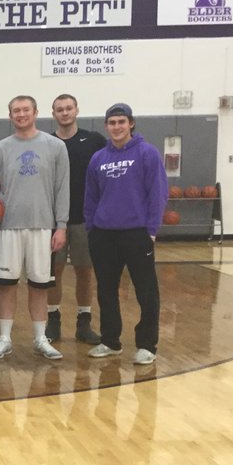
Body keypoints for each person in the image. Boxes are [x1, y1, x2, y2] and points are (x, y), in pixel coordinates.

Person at [0, 95, 69, 361]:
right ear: (10, 115)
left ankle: (40, 339)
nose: (21, 114)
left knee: (39, 286)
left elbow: (62, 189)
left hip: (43, 227)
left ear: (35, 112)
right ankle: (4, 338)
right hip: (8, 228)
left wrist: (62, 226)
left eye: (25, 110)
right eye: (16, 111)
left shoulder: (55, 146)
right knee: (7, 285)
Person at [85, 103, 167, 366]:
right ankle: (110, 341)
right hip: (104, 234)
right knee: (106, 290)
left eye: (121, 122)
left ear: (131, 123)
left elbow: (157, 193)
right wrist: (92, 227)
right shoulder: (98, 158)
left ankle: (146, 344)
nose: (117, 127)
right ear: (106, 126)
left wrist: (151, 230)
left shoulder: (147, 153)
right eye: (112, 123)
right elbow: (91, 197)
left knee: (146, 291)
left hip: (137, 233)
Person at [46, 94, 105, 346]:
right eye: (60, 109)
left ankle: (84, 321)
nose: (65, 113)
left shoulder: (94, 140)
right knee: (54, 272)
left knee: (84, 271)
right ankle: (53, 320)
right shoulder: (46, 142)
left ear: (77, 110)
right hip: (54, 219)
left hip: (84, 218)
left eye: (69, 108)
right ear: (53, 114)